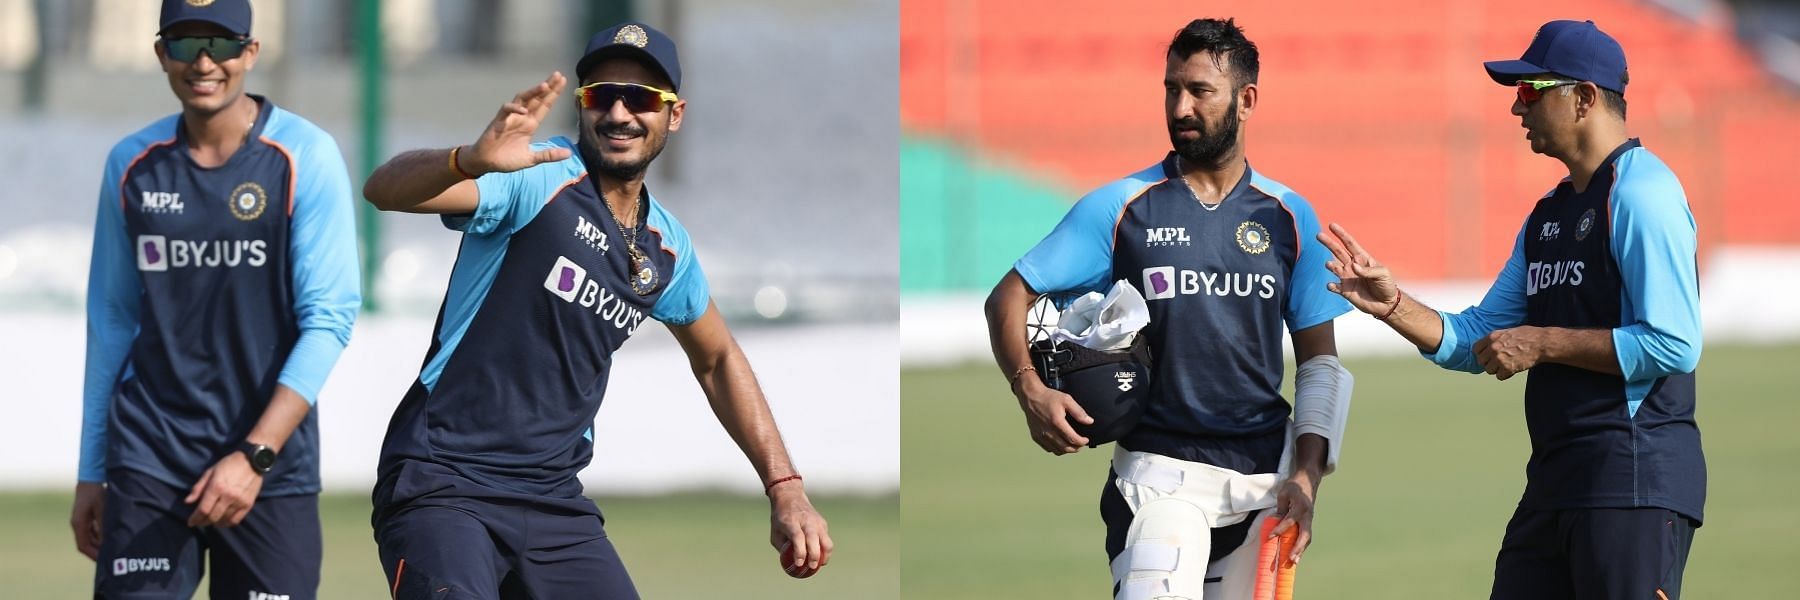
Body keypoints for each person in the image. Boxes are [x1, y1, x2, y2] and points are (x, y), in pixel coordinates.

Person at [360, 22, 832, 598]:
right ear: (583, 105)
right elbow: (385, 190)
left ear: (673, 115)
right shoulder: (534, 179)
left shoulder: (667, 247)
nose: (619, 113)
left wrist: (785, 487)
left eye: (641, 99)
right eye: (602, 95)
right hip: (444, 482)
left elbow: (717, 358)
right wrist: (467, 160)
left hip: (552, 502)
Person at [1318, 19, 1704, 600]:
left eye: (1530, 92)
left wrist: (1543, 342)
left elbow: (1675, 343)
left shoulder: (1643, 194)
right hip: (1555, 483)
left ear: (1584, 98)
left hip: (1632, 482)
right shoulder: (1547, 215)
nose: (1516, 110)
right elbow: (1475, 337)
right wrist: (1392, 306)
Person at [984, 18, 1354, 600]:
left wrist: (1307, 478)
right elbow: (1008, 295)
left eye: (1200, 91)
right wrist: (1029, 387)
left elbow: (1321, 368)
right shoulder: (1121, 206)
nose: (1181, 106)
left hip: (1266, 485)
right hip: (1158, 478)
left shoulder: (1291, 219)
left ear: (1246, 100)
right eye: (1171, 88)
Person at [72, 0, 361, 597]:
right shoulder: (131, 164)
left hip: (268, 466)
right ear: (160, 55)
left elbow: (328, 319)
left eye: (223, 44)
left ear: (250, 52)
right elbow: (111, 319)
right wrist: (93, 470)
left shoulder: (305, 155)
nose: (204, 62)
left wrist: (254, 456)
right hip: (150, 457)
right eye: (183, 44)